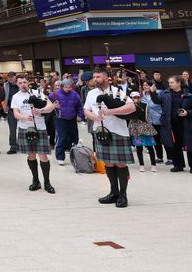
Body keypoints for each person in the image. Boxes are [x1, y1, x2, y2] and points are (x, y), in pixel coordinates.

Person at [84, 68, 135, 208]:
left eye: (98, 77)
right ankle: (114, 192)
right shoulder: (91, 93)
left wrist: (110, 111)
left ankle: (123, 195)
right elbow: (86, 110)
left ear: (107, 78)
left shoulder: (117, 92)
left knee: (120, 164)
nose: (95, 79)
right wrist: (94, 117)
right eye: (94, 77)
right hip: (101, 132)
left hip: (118, 131)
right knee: (108, 163)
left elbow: (131, 107)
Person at [10, 77, 55, 194]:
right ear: (17, 84)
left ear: (28, 83)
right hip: (25, 128)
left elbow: (50, 107)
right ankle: (35, 181)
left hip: (40, 128)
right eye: (20, 83)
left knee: (43, 156)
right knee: (31, 155)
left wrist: (41, 110)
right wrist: (25, 117)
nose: (23, 84)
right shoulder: (15, 97)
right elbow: (16, 114)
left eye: (24, 82)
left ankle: (47, 183)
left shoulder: (38, 93)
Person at [157, 75, 192, 173]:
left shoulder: (189, 96)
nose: (170, 84)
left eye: (172, 82)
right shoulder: (166, 94)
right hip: (172, 124)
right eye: (169, 83)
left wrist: (187, 113)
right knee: (175, 145)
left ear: (179, 83)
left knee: (190, 144)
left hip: (187, 124)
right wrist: (152, 92)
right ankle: (178, 165)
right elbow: (157, 101)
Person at [50, 77, 84, 165]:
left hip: (72, 119)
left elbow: (80, 106)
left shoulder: (75, 94)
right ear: (62, 86)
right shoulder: (54, 94)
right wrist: (52, 106)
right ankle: (60, 157)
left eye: (69, 87)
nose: (68, 89)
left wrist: (80, 115)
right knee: (62, 138)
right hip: (60, 119)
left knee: (75, 138)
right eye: (66, 87)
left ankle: (76, 156)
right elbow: (47, 103)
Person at [127, 91, 158, 173]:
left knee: (150, 147)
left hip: (146, 128)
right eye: (134, 97)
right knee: (139, 147)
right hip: (136, 129)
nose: (136, 99)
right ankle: (141, 165)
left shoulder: (145, 105)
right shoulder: (128, 106)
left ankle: (153, 165)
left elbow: (147, 116)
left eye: (138, 97)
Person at [3, 75, 19, 155]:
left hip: (23, 109)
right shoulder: (5, 86)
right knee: (12, 129)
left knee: (26, 127)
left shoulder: (20, 84)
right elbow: (2, 96)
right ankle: (13, 147)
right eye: (9, 78)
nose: (10, 79)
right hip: (11, 110)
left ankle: (26, 144)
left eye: (12, 78)